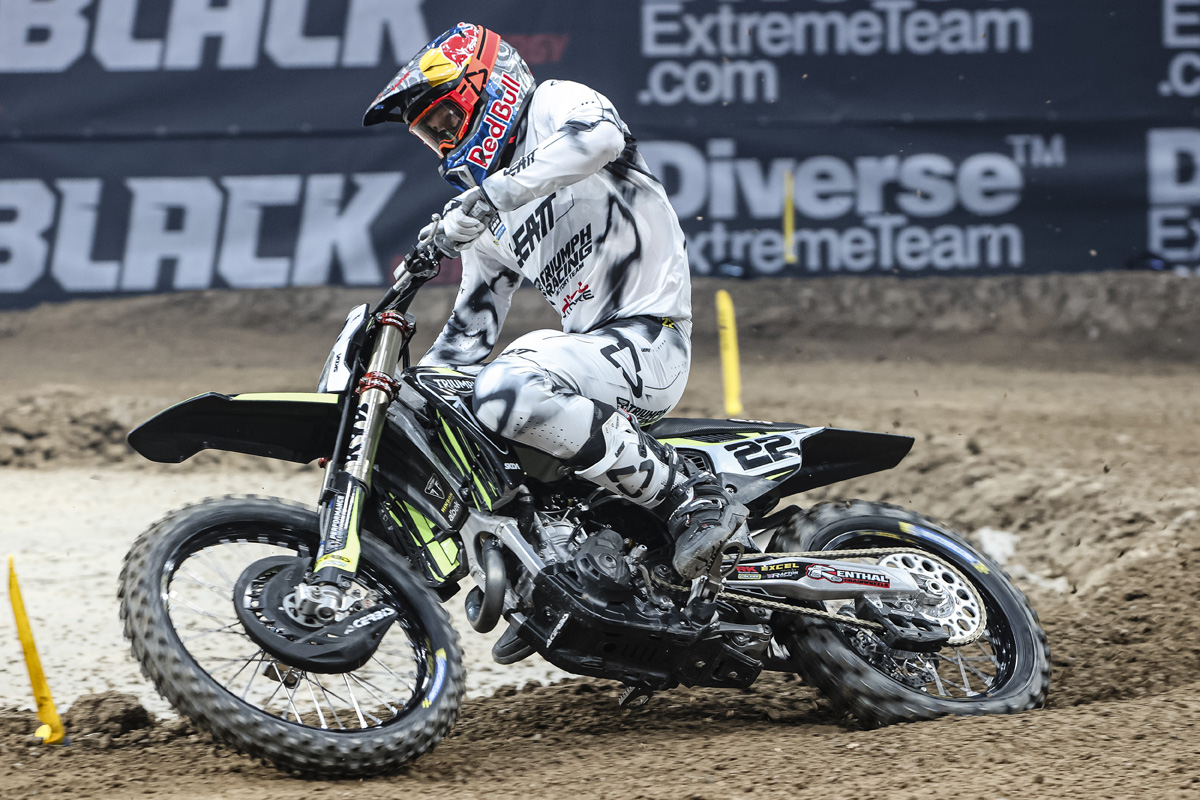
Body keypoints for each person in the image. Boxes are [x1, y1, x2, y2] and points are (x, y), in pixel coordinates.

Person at [362, 22, 745, 584]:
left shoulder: (553, 104)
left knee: (508, 386)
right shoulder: (493, 218)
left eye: (444, 120)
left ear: (487, 86)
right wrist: (399, 406)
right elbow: (467, 340)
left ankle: (692, 496)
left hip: (650, 338)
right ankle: (550, 554)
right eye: (429, 134)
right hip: (593, 360)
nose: (443, 142)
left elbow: (600, 140)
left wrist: (491, 196)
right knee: (453, 406)